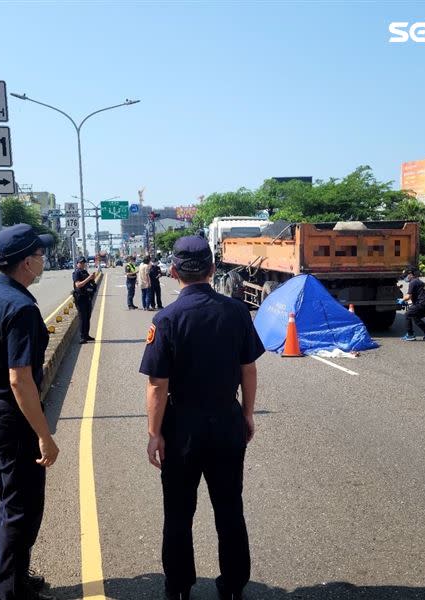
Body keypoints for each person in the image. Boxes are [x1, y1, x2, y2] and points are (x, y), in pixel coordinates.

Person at [139, 236, 265, 600]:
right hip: (227, 420)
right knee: (229, 508)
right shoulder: (236, 311)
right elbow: (249, 369)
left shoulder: (166, 319)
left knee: (178, 512)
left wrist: (154, 433)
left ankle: (178, 587)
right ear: (212, 269)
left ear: (173, 272)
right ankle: (232, 586)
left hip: (182, 428)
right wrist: (247, 414)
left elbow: (157, 385)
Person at [0, 223, 59, 600]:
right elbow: (21, 381)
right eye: (39, 255)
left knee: (11, 499)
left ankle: (15, 577)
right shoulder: (21, 309)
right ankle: (10, 592)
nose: (43, 260)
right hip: (12, 415)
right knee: (22, 508)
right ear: (25, 263)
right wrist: (44, 436)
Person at [399, 266, 425, 341]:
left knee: (407, 315)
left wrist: (401, 300)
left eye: (405, 276)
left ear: (410, 274)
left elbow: (408, 296)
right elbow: (414, 297)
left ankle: (410, 335)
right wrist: (408, 303)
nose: (405, 278)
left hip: (422, 303)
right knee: (415, 317)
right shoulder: (418, 281)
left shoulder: (413, 282)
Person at [73, 257, 97, 344]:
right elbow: (78, 285)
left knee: (87, 317)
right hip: (80, 298)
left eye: (84, 263)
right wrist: (88, 278)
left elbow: (89, 283)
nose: (83, 264)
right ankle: (82, 337)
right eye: (81, 263)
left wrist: (92, 278)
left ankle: (86, 335)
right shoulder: (76, 273)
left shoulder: (84, 272)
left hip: (87, 297)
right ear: (77, 263)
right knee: (82, 318)